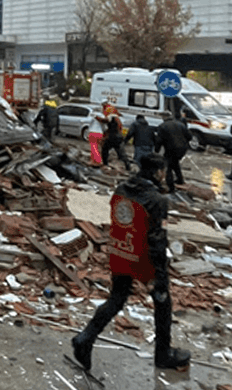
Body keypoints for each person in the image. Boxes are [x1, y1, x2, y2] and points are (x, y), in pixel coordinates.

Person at [70, 151, 190, 375]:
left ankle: (85, 338)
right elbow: (156, 239)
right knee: (162, 302)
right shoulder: (157, 200)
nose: (164, 175)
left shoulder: (121, 189)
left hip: (121, 250)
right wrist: (160, 273)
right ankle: (163, 354)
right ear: (157, 172)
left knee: (116, 298)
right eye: (163, 170)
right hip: (144, 257)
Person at [158, 111, 190, 192]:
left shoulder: (162, 126)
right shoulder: (180, 124)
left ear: (163, 118)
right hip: (183, 149)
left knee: (168, 167)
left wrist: (156, 151)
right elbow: (190, 136)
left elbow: (159, 141)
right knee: (175, 163)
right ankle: (180, 180)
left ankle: (171, 187)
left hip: (171, 149)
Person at [101, 104, 128, 171]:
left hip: (112, 137)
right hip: (118, 137)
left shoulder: (111, 117)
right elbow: (120, 128)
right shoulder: (118, 118)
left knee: (104, 150)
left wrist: (97, 117)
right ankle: (128, 165)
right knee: (121, 153)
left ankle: (105, 164)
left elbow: (106, 125)